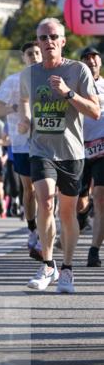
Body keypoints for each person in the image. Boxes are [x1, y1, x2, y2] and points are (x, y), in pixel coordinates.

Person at [18, 18, 99, 293]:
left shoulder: (78, 70)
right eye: (43, 38)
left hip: (72, 153)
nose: (48, 42)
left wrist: (68, 93)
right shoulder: (28, 74)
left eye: (53, 37)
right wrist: (24, 120)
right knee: (45, 200)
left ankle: (66, 269)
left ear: (63, 41)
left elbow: (95, 111)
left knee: (67, 213)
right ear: (38, 43)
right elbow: (24, 103)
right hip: (41, 150)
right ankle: (47, 263)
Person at [0, 41, 43, 257]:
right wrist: (15, 108)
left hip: (48, 143)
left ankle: (43, 232)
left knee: (48, 192)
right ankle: (32, 229)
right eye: (30, 53)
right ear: (23, 57)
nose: (34, 56)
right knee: (29, 190)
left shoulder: (52, 78)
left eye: (37, 52)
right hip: (22, 143)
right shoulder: (14, 81)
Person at [77, 46, 104, 267]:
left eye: (94, 57)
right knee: (79, 201)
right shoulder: (75, 86)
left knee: (101, 198)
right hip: (78, 148)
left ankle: (94, 250)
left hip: (102, 147)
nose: (91, 61)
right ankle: (81, 219)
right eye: (86, 59)